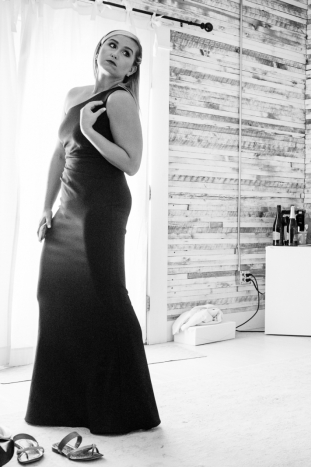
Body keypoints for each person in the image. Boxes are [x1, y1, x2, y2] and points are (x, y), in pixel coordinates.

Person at [27, 30, 160, 435]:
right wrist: (46, 207)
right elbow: (57, 153)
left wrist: (91, 131)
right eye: (112, 46)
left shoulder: (119, 99)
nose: (116, 55)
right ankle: (63, 405)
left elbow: (131, 163)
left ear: (133, 67)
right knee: (54, 294)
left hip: (101, 206)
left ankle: (128, 408)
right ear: (98, 49)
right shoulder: (74, 94)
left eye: (127, 53)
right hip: (67, 206)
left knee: (105, 298)